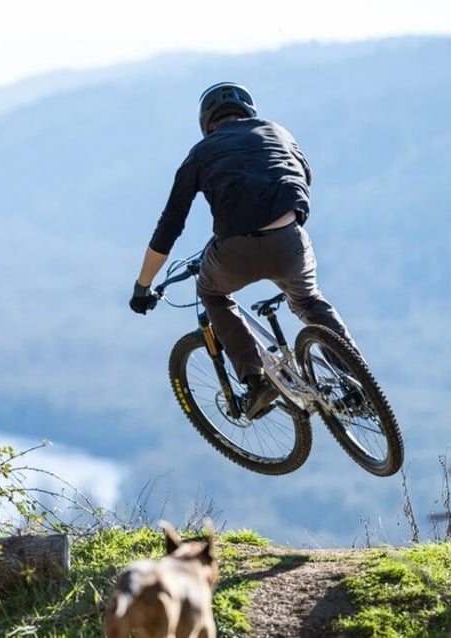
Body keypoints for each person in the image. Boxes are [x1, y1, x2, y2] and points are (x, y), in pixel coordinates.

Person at [128, 81, 363, 419]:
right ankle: (356, 383)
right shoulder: (279, 132)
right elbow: (303, 176)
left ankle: (255, 380)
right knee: (309, 301)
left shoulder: (201, 152)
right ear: (249, 112)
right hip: (289, 239)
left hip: (235, 251)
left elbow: (170, 225)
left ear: (207, 122)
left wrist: (142, 287)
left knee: (211, 293)